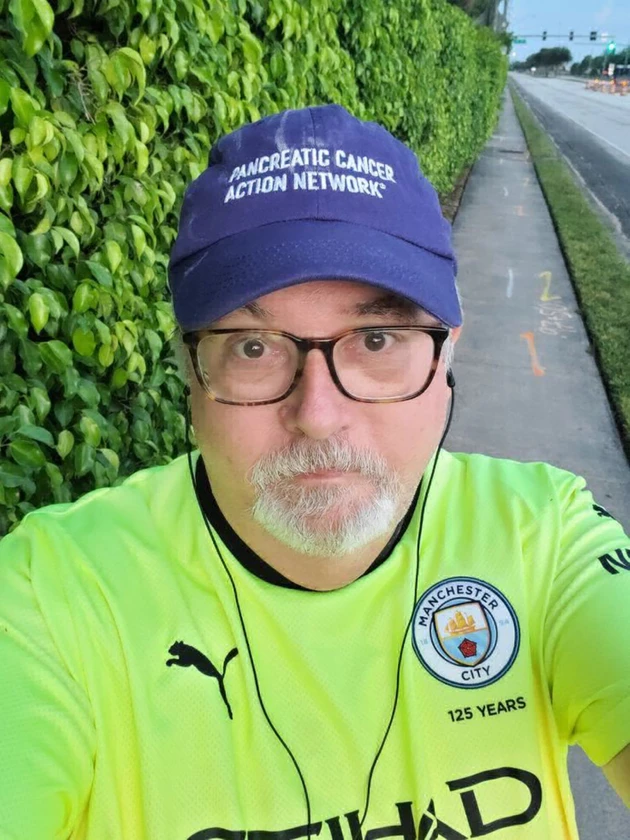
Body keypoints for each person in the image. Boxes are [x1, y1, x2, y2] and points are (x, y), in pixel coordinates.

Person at [1, 103, 629, 840]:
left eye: (377, 339)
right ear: (189, 373)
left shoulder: (545, 541)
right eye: (254, 347)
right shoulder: (49, 598)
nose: (319, 414)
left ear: (447, 354)